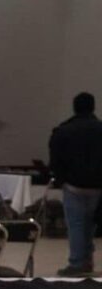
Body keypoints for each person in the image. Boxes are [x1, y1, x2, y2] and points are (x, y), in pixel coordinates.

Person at [48, 92, 102, 276]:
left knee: (77, 224)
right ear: (93, 107)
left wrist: (61, 178)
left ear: (75, 107)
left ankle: (78, 262)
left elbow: (55, 159)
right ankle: (87, 259)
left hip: (73, 185)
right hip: (98, 186)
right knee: (92, 224)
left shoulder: (64, 130)